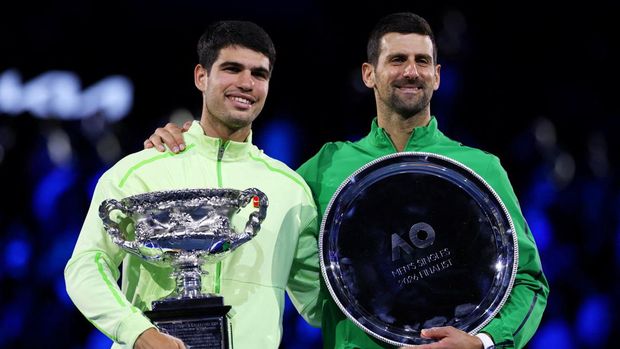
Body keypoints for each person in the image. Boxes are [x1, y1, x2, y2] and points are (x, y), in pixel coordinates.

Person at [144, 12, 549, 349]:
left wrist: (484, 341)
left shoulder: (481, 169)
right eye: (398, 60)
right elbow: (236, 211)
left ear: (438, 76)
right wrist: (192, 145)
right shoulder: (327, 167)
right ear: (369, 74)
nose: (412, 72)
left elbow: (529, 282)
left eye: (422, 61)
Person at [65, 20, 321, 349]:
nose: (246, 83)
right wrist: (138, 333)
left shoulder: (290, 189)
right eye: (232, 69)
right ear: (202, 76)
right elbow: (86, 266)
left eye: (259, 74)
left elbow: (319, 304)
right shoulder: (138, 171)